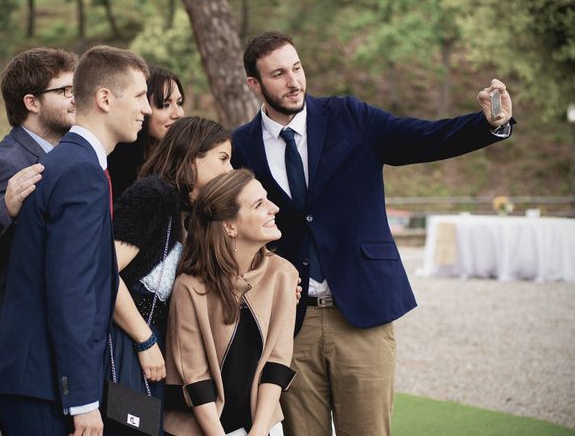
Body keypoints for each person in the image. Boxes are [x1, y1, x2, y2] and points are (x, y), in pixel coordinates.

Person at [231, 31, 515, 436]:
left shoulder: (349, 116)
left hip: (361, 312)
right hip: (288, 324)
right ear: (254, 85)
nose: (294, 81)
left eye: (297, 68)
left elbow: (422, 138)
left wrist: (487, 125)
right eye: (278, 74)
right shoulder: (241, 147)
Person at [0, 45, 151, 436]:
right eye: (140, 96)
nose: (147, 109)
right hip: (43, 385)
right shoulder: (79, 171)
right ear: (105, 98)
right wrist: (82, 400)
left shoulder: (73, 162)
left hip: (37, 379)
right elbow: (71, 290)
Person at [0, 47, 77, 436]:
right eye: (64, 91)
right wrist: (7, 208)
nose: (74, 99)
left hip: (41, 354)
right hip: (3, 358)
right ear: (31, 102)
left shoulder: (68, 156)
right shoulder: (6, 163)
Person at [107, 116, 232, 431]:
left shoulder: (185, 212)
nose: (230, 170)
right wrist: (144, 340)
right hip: (123, 345)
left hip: (148, 354)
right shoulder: (153, 195)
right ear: (191, 157)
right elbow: (103, 272)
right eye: (223, 159)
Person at [163, 169, 298, 436]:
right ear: (229, 225)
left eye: (267, 199)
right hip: (202, 427)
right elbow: (195, 376)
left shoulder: (283, 274)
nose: (275, 208)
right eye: (259, 204)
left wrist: (259, 430)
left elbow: (277, 361)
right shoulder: (190, 287)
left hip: (264, 425)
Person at [107, 66, 185, 201]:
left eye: (179, 103)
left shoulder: (184, 160)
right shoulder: (116, 165)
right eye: (165, 105)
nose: (178, 114)